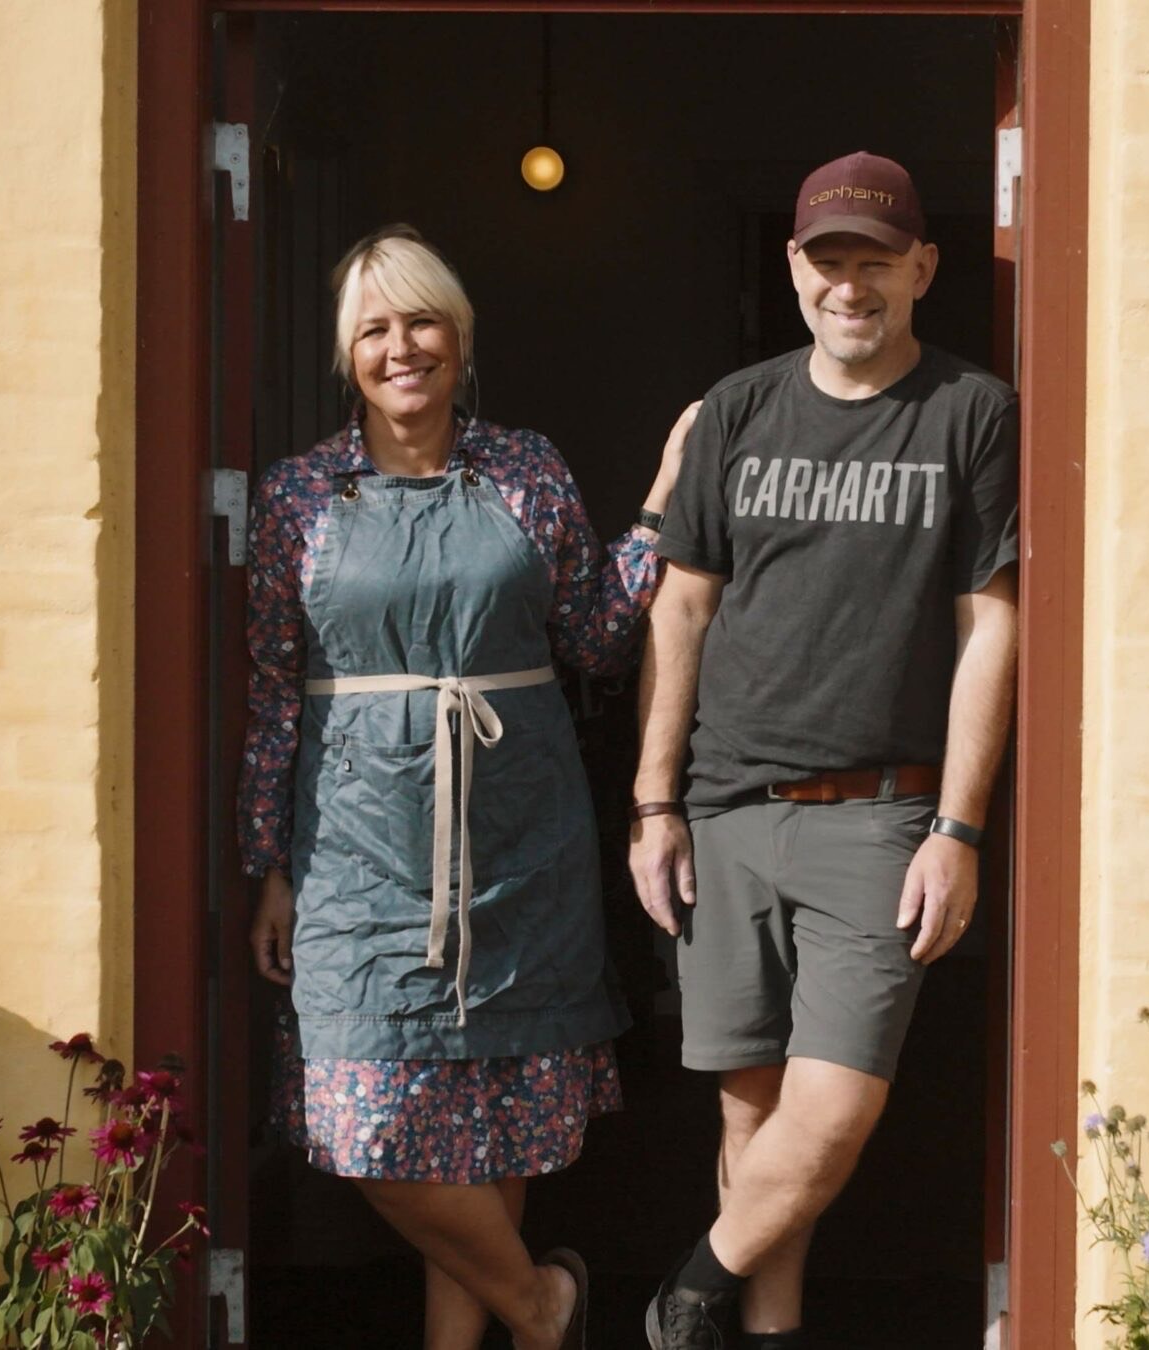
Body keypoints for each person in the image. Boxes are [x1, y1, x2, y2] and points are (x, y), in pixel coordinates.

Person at [240, 224, 695, 1350]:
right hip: (354, 852)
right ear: (348, 354)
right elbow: (271, 692)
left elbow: (594, 639)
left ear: (461, 338)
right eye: (375, 329)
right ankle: (545, 1307)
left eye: (422, 321)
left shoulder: (526, 468)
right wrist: (271, 869)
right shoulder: (298, 494)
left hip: (517, 841)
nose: (403, 348)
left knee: (491, 1135)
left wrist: (660, 507)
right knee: (366, 1130)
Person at [628, 153, 1021, 1350]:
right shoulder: (737, 409)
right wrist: (655, 804)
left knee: (832, 1110)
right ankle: (761, 1334)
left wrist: (957, 829)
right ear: (795, 267)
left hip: (880, 814)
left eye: (874, 260)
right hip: (731, 807)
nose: (850, 284)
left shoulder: (970, 412)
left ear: (922, 268)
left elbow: (988, 626)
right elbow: (680, 610)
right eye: (827, 259)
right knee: (751, 1117)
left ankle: (684, 1299)